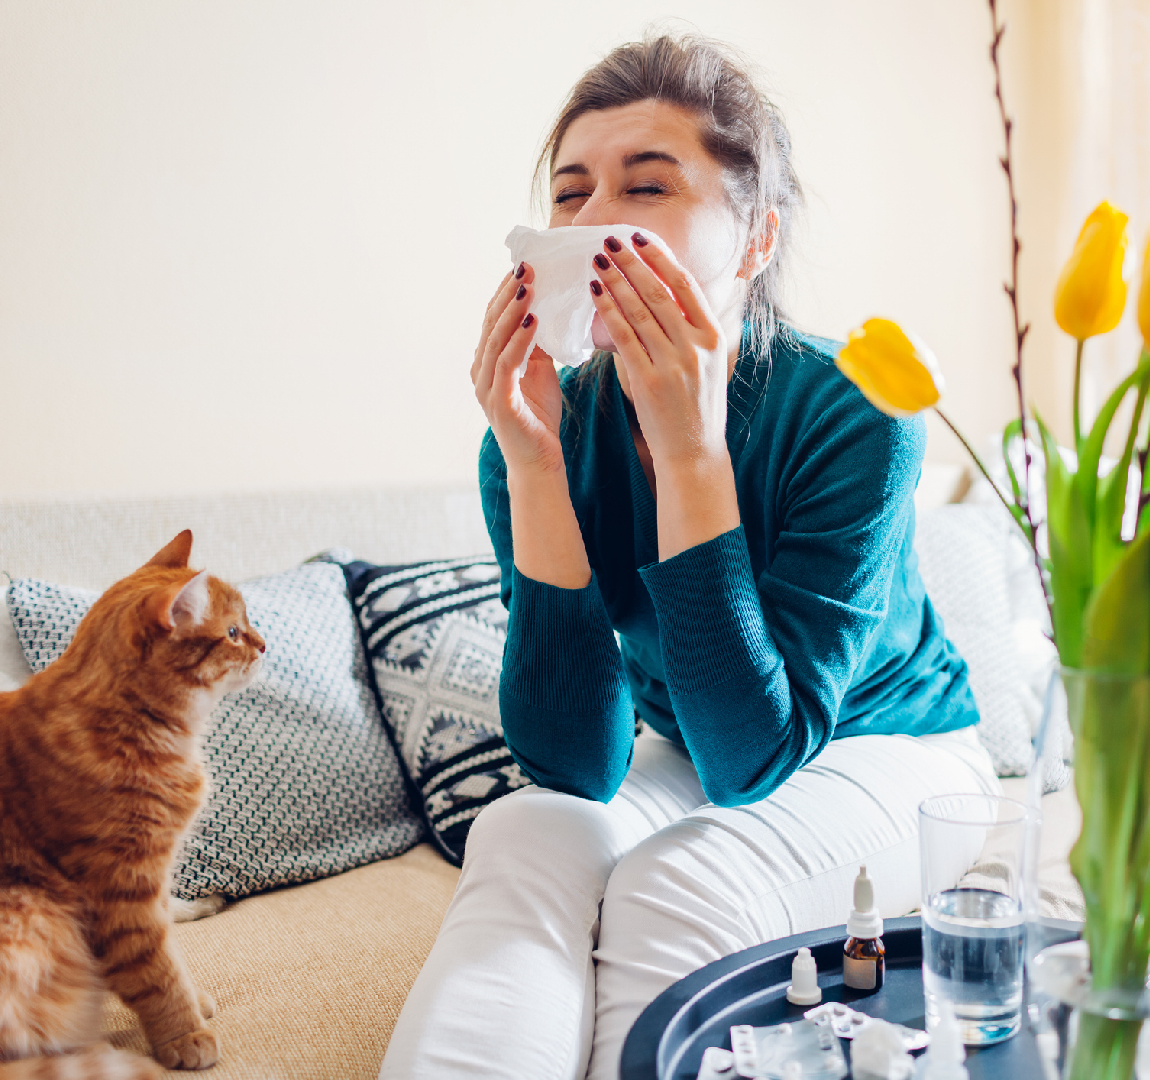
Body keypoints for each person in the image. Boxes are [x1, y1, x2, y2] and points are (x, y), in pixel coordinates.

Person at [379, 33, 995, 1080]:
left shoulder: (857, 408)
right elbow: (576, 764)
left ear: (755, 240)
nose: (591, 223)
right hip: (703, 745)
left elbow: (756, 754)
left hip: (893, 751)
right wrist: (533, 469)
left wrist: (689, 451)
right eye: (569, 195)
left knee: (678, 883)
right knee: (527, 832)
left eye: (647, 186)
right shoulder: (540, 432)